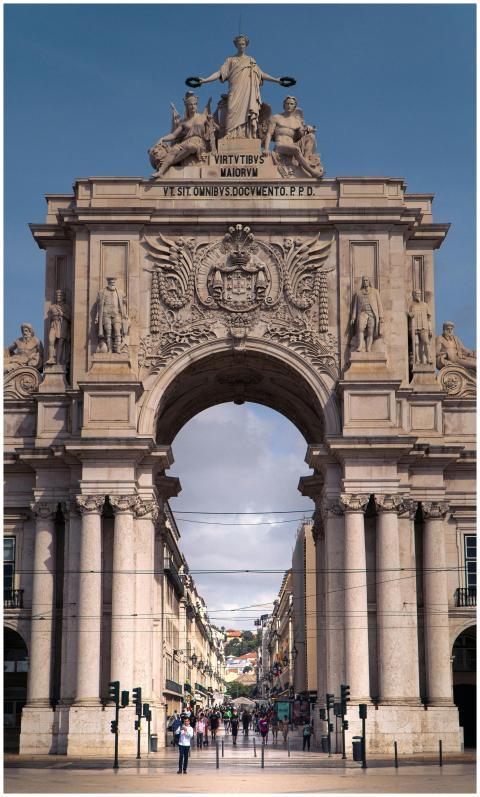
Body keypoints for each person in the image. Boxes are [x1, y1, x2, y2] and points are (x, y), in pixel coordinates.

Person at [196, 35, 284, 139]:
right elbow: (220, 73)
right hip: (235, 90)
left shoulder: (251, 60)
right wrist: (205, 80)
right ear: (236, 45)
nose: (241, 46)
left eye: (243, 44)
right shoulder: (230, 60)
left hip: (248, 92)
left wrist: (276, 80)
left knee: (248, 112)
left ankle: (247, 135)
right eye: (239, 44)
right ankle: (230, 135)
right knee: (231, 111)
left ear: (246, 45)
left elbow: (261, 74)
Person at [149, 92, 216, 178]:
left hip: (198, 142)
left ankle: (171, 162)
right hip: (185, 142)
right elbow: (173, 135)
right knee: (174, 150)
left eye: (195, 104)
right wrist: (163, 138)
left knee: (191, 147)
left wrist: (211, 122)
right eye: (190, 105)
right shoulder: (183, 122)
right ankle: (161, 172)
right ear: (187, 106)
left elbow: (214, 129)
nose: (193, 106)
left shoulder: (203, 117)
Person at [264, 96, 323, 178]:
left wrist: (308, 129)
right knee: (296, 149)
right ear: (284, 105)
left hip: (292, 145)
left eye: (291, 104)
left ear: (294, 106)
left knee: (311, 137)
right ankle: (311, 172)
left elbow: (301, 135)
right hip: (280, 146)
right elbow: (269, 134)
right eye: (287, 103)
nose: (289, 105)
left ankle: (305, 160)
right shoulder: (276, 118)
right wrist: (266, 149)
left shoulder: (297, 121)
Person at [350, 275, 384, 353]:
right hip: (362, 313)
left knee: (370, 332)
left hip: (372, 314)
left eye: (366, 280)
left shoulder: (375, 292)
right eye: (364, 280)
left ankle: (368, 348)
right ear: (362, 282)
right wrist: (353, 317)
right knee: (360, 328)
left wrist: (381, 317)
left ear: (369, 281)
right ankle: (360, 346)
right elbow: (355, 306)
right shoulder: (358, 293)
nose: (365, 282)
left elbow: (379, 305)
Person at [95, 276, 129, 353]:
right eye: (110, 282)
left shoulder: (120, 292)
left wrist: (124, 313)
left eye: (113, 282)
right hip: (105, 314)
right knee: (108, 333)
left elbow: (123, 305)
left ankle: (118, 348)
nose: (112, 284)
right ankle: (110, 348)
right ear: (108, 283)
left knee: (117, 331)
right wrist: (97, 317)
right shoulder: (102, 292)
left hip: (116, 314)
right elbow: (99, 306)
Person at [46, 289, 71, 366]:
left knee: (61, 343)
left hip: (63, 324)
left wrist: (62, 314)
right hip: (54, 324)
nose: (58, 297)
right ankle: (51, 358)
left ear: (63, 297)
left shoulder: (66, 307)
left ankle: (59, 361)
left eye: (60, 295)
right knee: (51, 341)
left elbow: (70, 318)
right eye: (57, 295)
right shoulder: (52, 307)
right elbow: (49, 318)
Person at [408, 290, 433, 365]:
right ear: (414, 295)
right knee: (416, 343)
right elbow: (408, 315)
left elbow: (428, 319)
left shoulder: (425, 305)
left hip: (424, 326)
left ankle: (428, 359)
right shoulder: (411, 305)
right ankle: (417, 359)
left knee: (426, 342)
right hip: (414, 327)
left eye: (419, 293)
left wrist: (430, 329)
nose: (418, 295)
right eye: (416, 294)